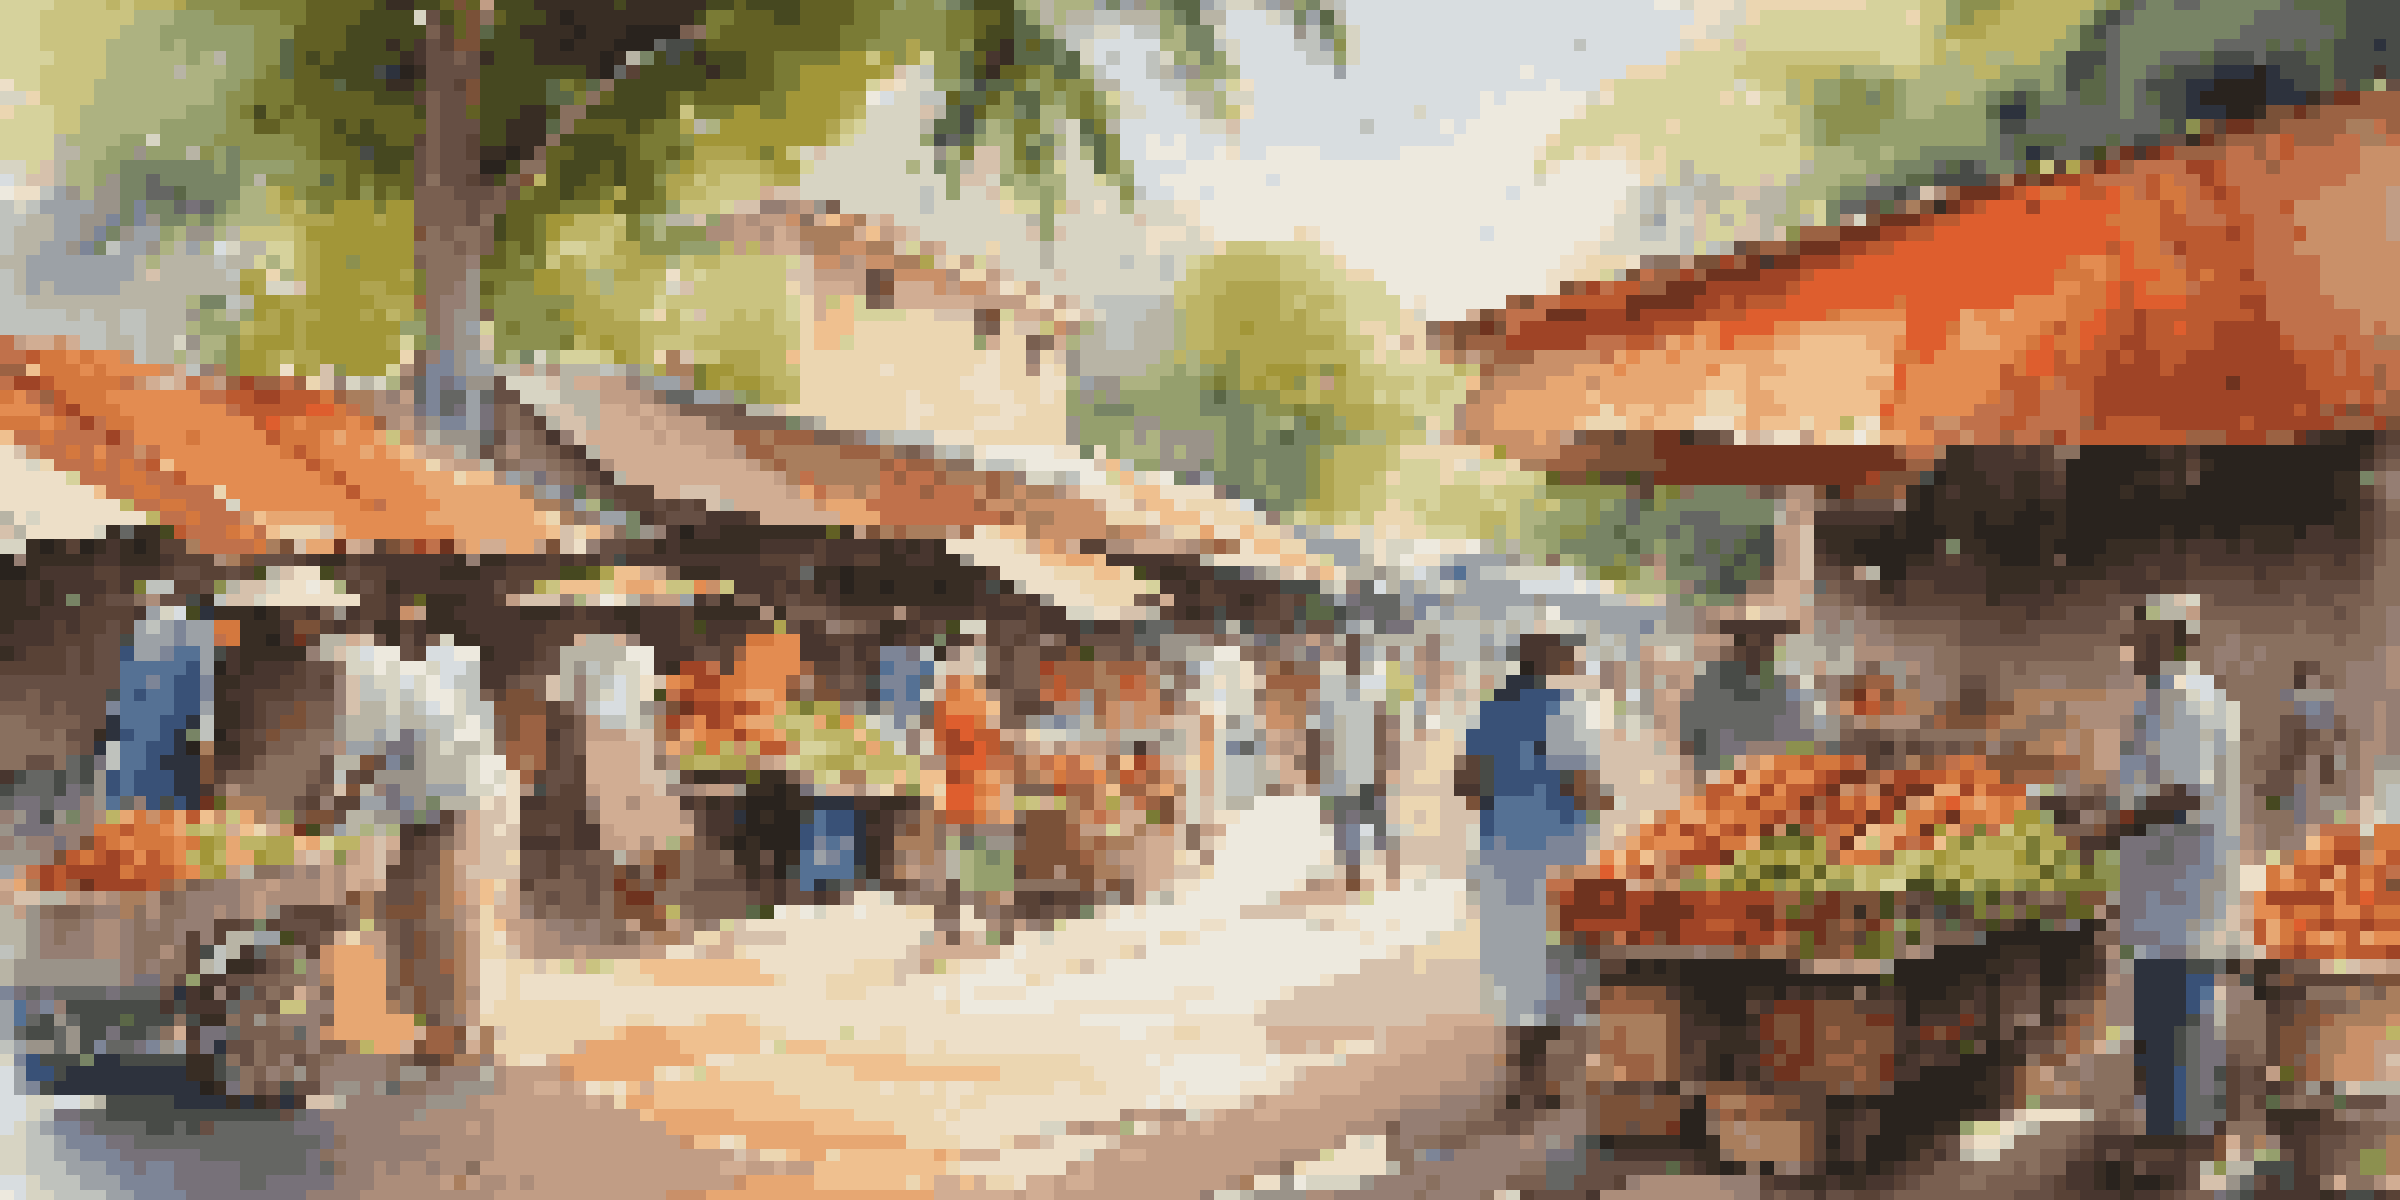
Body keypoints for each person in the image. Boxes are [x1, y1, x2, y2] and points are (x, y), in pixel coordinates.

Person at [1455, 632, 1612, 1122]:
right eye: (1567, 651)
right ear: (1549, 657)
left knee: (1517, 969)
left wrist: (1507, 802)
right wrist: (1601, 799)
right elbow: (1582, 786)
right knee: (1556, 966)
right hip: (1554, 855)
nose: (1573, 659)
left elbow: (1468, 783)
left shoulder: (1492, 709)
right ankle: (1539, 1081)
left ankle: (1523, 1080)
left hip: (1502, 854)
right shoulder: (1562, 710)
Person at [2112, 595, 2240, 1150]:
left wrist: (2106, 826)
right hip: (2169, 896)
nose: (2131, 646)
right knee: (2171, 1027)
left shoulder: (2183, 700)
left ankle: (2178, 1147)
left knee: (2178, 1026)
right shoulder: (2171, 697)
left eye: (2140, 636)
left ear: (2167, 637)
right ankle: (2176, 1132)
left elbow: (2181, 793)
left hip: (2179, 895)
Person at [1679, 620, 1822, 776]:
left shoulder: (1783, 685)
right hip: (1726, 774)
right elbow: (1693, 737)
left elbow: (1802, 737)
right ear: (1738, 647)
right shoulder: (1710, 683)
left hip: (1775, 772)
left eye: (1765, 645)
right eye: (1750, 644)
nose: (1758, 651)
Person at [1317, 632, 1398, 894]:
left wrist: (1384, 760)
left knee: (1373, 817)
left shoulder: (1370, 689)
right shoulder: (1332, 689)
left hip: (1365, 764)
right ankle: (1354, 874)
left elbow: (1382, 726)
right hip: (1342, 767)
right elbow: (1321, 731)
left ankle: (1383, 867)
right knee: (1348, 821)